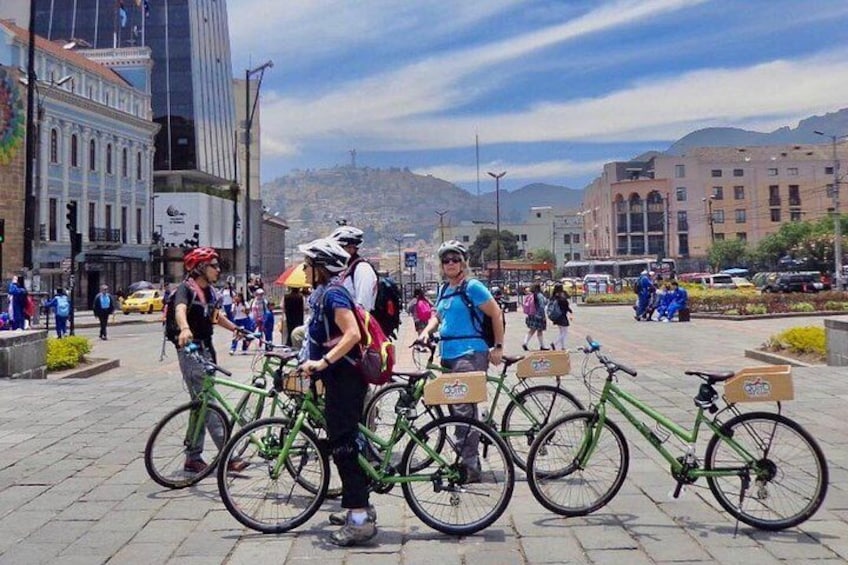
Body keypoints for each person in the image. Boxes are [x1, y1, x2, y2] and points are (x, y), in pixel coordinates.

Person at [297, 238, 377, 547]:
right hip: (337, 379)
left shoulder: (333, 295)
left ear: (320, 268)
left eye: (307, 265)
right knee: (344, 444)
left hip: (346, 379)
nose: (304, 269)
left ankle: (359, 521)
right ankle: (361, 509)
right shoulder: (323, 294)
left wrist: (324, 361)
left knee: (344, 447)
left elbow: (353, 334)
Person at [416, 240, 504, 483]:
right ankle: (475, 437)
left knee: (463, 409)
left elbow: (495, 313)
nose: (451, 264)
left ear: (464, 262)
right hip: (448, 354)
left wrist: (497, 347)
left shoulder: (472, 287)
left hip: (470, 352)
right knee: (457, 408)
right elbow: (437, 314)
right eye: (446, 261)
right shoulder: (445, 289)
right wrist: (426, 332)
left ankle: (470, 464)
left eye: (455, 259)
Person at [173, 247, 248, 474]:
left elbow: (216, 316)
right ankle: (229, 455)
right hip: (191, 351)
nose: (218, 269)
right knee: (209, 404)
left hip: (208, 350)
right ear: (199, 268)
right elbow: (179, 309)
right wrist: (184, 329)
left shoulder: (211, 293)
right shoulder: (186, 290)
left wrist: (235, 328)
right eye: (213, 266)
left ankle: (192, 457)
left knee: (200, 405)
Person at [329, 225, 378, 312]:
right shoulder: (346, 269)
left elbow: (363, 307)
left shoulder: (362, 269)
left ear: (351, 248)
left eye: (337, 247)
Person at [522, 283, 548, 351]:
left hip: (531, 314)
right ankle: (542, 346)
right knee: (539, 330)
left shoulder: (531, 295)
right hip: (539, 315)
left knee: (532, 330)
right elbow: (542, 306)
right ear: (538, 288)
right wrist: (543, 316)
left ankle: (525, 342)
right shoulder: (540, 295)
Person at [548, 283, 573, 351]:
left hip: (556, 316)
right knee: (565, 332)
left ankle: (563, 346)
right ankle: (554, 343)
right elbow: (566, 306)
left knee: (561, 332)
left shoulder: (553, 297)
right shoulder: (561, 298)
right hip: (562, 316)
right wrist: (570, 312)